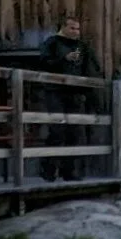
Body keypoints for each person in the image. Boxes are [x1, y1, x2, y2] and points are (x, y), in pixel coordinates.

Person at [38, 16, 102, 180]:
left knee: (75, 132)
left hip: (75, 92)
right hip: (55, 91)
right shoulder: (51, 43)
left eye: (78, 29)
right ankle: (49, 170)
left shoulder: (82, 47)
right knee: (57, 130)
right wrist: (63, 59)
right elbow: (43, 62)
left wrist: (91, 90)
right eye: (72, 28)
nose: (76, 32)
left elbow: (90, 67)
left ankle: (70, 171)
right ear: (63, 28)